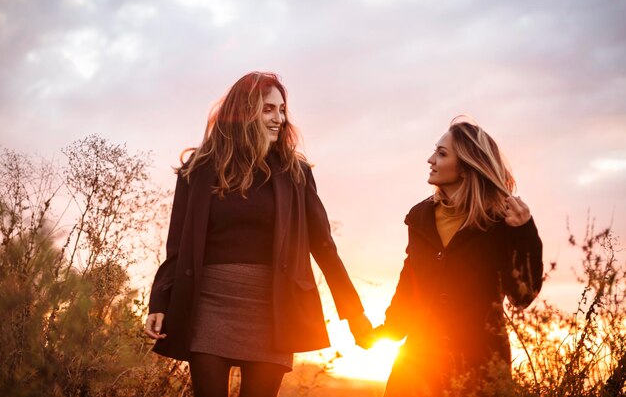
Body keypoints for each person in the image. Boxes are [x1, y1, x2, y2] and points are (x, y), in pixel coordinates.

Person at [144, 72, 371, 397]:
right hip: (209, 308)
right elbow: (178, 244)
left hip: (273, 312)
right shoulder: (200, 169)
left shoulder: (296, 173)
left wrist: (354, 314)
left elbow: (324, 246)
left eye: (281, 110)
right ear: (244, 111)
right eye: (268, 109)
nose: (279, 118)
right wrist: (159, 301)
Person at [372, 118, 543, 396]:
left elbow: (522, 296)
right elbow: (409, 283)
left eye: (441, 153)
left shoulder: (501, 222)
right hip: (417, 365)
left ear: (466, 165)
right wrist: (387, 330)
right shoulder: (420, 217)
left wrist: (525, 233)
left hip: (480, 366)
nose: (430, 159)